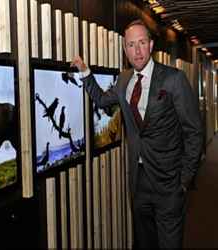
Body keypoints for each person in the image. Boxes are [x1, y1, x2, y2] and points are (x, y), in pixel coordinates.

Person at [71, 19, 203, 249]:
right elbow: (102, 100)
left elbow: (194, 131)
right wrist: (85, 73)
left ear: (151, 45)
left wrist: (184, 179)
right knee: (144, 243)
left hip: (170, 183)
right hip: (138, 182)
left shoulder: (174, 79)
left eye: (142, 43)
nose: (137, 50)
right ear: (125, 50)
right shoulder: (124, 80)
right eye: (131, 45)